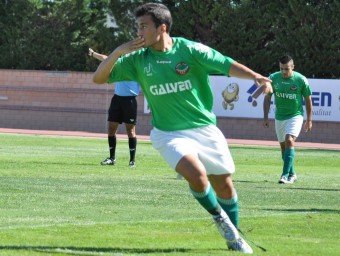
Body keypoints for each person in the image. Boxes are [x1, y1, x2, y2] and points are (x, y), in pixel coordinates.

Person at [93, 3, 272, 254]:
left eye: (144, 26)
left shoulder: (189, 50)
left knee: (224, 184)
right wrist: (117, 52)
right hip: (168, 133)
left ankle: (234, 240)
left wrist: (256, 76)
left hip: (204, 129)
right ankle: (221, 220)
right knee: (196, 174)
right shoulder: (136, 59)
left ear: (162, 28)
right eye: (138, 27)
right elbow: (99, 78)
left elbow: (225, 64)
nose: (139, 32)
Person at [263, 55, 312, 184]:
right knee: (283, 148)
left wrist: (309, 119)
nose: (283, 72)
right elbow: (267, 98)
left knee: (289, 140)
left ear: (292, 67)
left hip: (295, 116)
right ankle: (292, 173)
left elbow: (308, 100)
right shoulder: (273, 78)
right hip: (279, 117)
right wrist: (265, 117)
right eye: (281, 69)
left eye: (286, 69)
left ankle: (284, 176)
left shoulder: (301, 80)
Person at [89, 48, 140, 167]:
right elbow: (105, 59)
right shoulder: (119, 63)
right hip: (117, 99)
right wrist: (93, 54)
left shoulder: (137, 67)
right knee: (111, 128)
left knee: (130, 131)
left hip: (130, 101)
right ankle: (112, 158)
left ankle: (132, 161)